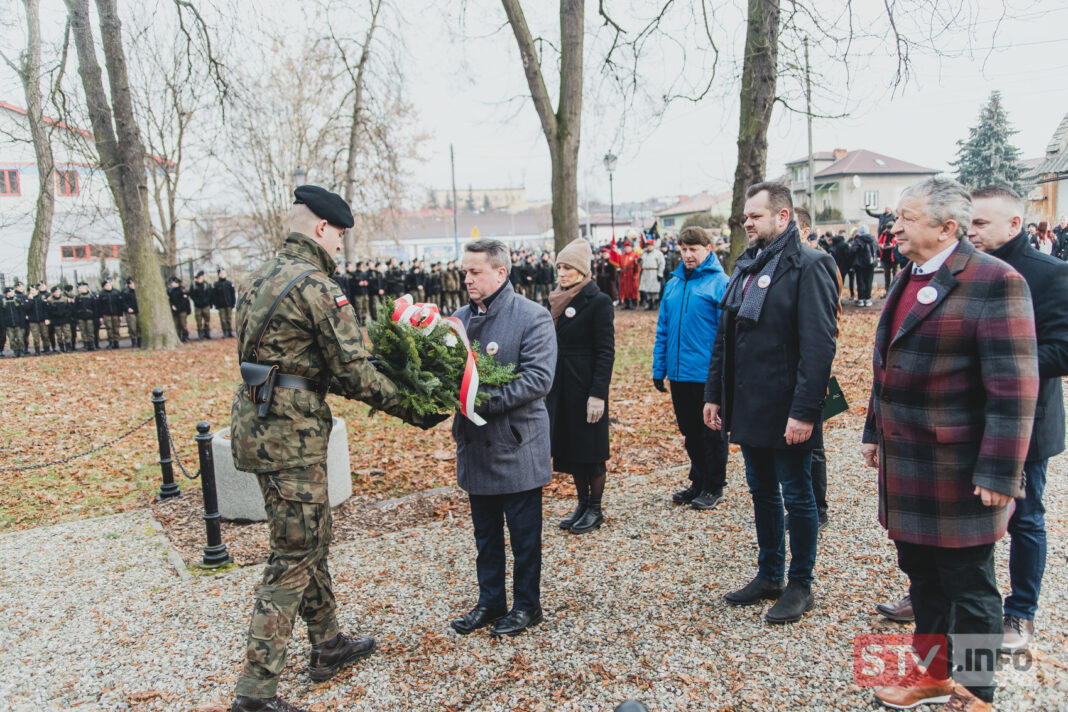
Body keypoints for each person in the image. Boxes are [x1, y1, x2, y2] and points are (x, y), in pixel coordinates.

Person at [229, 186, 440, 712]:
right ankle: (255, 692)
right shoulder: (316, 287)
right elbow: (354, 372)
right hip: (293, 435)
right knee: (293, 555)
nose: (341, 244)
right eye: (340, 234)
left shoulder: (255, 278)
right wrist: (417, 407)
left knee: (308, 539)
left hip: (259, 425)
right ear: (322, 227)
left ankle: (327, 644)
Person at [861, 177, 1038, 712]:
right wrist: (873, 431)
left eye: (907, 218)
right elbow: (887, 365)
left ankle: (975, 694)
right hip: (907, 466)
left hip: (959, 470)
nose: (895, 227)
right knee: (923, 579)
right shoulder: (909, 275)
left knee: (972, 589)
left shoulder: (996, 281)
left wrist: (999, 472)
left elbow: (1014, 389)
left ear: (947, 228)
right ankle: (933, 677)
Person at [704, 181, 838, 624]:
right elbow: (725, 336)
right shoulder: (745, 265)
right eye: (745, 216)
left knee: (797, 495)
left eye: (755, 216)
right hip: (748, 403)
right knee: (761, 490)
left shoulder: (811, 265)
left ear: (783, 217)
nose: (747, 222)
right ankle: (769, 574)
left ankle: (801, 584)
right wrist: (714, 394)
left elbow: (819, 346)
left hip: (786, 406)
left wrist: (804, 411)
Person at [448, 238, 556, 639]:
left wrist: (480, 400)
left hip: (516, 444)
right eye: (465, 271)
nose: (467, 279)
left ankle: (527, 605)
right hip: (475, 445)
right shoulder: (458, 320)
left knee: (524, 537)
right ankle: (490, 601)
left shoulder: (532, 316)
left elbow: (538, 379)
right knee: (486, 535)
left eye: (475, 272)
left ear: (500, 273)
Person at [652, 226, 730, 510]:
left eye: (693, 249)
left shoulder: (720, 283)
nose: (687, 255)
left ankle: (714, 485)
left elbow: (727, 334)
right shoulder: (673, 284)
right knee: (690, 432)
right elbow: (663, 329)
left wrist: (723, 372)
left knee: (712, 432)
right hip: (678, 373)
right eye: (683, 249)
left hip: (707, 373)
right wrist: (659, 368)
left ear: (708, 249)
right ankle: (698, 480)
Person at [546, 238, 615, 534]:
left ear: (582, 270)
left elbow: (605, 351)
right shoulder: (556, 299)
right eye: (559, 268)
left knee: (591, 451)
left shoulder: (597, 301)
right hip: (562, 386)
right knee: (573, 450)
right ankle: (582, 503)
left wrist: (598, 394)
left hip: (586, 387)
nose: (562, 273)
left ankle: (595, 509)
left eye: (568, 268)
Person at [794, 207, 832, 530]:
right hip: (789, 370)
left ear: (805, 231)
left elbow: (829, 321)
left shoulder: (820, 263)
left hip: (815, 368)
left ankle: (818, 507)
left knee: (814, 444)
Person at [850, 224, 878, 306]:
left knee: (860, 282)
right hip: (871, 264)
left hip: (860, 265)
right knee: (869, 281)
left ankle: (861, 299)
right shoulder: (873, 239)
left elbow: (852, 251)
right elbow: (878, 250)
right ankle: (868, 299)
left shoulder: (858, 240)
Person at [97, 277, 126, 348]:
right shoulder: (102, 294)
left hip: (116, 313)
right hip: (106, 314)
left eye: (109, 284)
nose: (108, 286)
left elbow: (120, 305)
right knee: (109, 328)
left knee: (116, 328)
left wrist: (120, 314)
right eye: (106, 285)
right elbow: (99, 306)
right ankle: (111, 342)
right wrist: (100, 316)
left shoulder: (116, 292)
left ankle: (116, 342)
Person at [0, 287, 27, 357]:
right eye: (10, 292)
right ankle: (15, 351)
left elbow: (21, 312)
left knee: (20, 338)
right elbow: (1, 314)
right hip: (8, 324)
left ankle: (21, 350)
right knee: (11, 339)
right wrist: (3, 324)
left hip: (18, 323)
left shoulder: (17, 300)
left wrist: (22, 322)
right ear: (7, 293)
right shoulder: (3, 302)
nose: (12, 293)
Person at [638, 240, 665, 310]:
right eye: (647, 246)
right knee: (647, 289)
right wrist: (639, 262)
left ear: (653, 246)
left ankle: (655, 303)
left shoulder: (658, 253)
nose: (649, 247)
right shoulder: (644, 254)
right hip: (646, 272)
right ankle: (649, 303)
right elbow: (642, 264)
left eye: (650, 245)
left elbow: (662, 263)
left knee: (655, 289)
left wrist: (660, 273)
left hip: (654, 272)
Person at [25, 283, 50, 355]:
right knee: (35, 336)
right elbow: (26, 308)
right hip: (33, 320)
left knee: (45, 335)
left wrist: (46, 318)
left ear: (37, 290)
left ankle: (47, 348)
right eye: (30, 290)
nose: (32, 292)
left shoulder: (41, 298)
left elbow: (46, 309)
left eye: (33, 290)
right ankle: (37, 350)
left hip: (42, 319)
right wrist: (30, 300)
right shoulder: (28, 299)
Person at [213, 269, 237, 338]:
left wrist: (233, 303)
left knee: (229, 318)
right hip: (221, 305)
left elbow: (233, 294)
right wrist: (216, 304)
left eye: (223, 273)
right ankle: (225, 332)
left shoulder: (229, 283)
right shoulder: (216, 284)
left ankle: (229, 331)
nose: (222, 274)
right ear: (219, 274)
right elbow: (214, 295)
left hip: (229, 304)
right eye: (221, 273)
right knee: (223, 319)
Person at [73, 282, 98, 351]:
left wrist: (95, 317)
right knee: (83, 331)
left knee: (90, 331)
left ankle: (92, 344)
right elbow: (75, 308)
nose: (79, 289)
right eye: (79, 288)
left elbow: (95, 308)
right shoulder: (78, 297)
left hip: (90, 316)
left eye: (81, 288)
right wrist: (76, 318)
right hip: (81, 317)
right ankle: (86, 345)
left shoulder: (91, 297)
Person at [617, 240, 641, 309]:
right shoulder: (621, 256)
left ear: (631, 248)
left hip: (631, 274)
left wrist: (636, 275)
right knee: (624, 289)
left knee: (633, 289)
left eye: (628, 247)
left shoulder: (635, 255)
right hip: (624, 274)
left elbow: (638, 266)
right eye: (626, 247)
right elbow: (618, 264)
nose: (627, 248)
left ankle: (634, 303)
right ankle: (626, 303)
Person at [190, 271, 214, 340]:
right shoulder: (194, 286)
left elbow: (210, 294)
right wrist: (197, 302)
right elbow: (192, 295)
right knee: (199, 321)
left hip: (206, 305)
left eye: (201, 278)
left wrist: (207, 302)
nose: (200, 279)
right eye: (199, 278)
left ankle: (207, 333)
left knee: (207, 320)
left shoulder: (207, 285)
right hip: (198, 306)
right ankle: (200, 334)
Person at [877, 221, 899, 292]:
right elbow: (879, 242)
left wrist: (892, 246)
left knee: (895, 274)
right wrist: (882, 246)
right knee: (887, 275)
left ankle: (895, 290)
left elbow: (898, 244)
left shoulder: (897, 234)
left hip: (894, 258)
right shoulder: (884, 234)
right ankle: (887, 290)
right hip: (885, 257)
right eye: (887, 228)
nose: (888, 230)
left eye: (889, 229)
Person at [168, 276, 191, 342]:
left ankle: (185, 335)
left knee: (183, 323)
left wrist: (178, 307)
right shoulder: (171, 291)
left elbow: (184, 301)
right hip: (174, 310)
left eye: (173, 282)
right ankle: (178, 336)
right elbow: (170, 300)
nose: (172, 284)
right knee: (176, 324)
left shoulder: (182, 290)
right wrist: (172, 306)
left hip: (182, 310)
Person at [123, 278, 140, 347]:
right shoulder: (125, 292)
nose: (132, 285)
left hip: (138, 311)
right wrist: (127, 308)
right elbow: (123, 302)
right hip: (130, 312)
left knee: (139, 326)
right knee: (132, 327)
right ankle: (134, 340)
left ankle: (140, 340)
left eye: (133, 283)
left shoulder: (139, 291)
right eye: (130, 284)